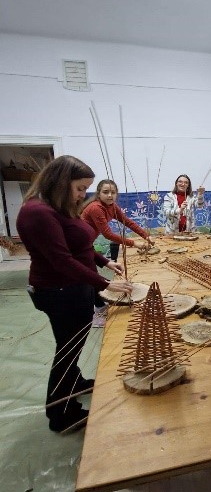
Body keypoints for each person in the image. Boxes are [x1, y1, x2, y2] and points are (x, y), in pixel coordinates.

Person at [16, 156, 132, 433]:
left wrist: (105, 262)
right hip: (60, 291)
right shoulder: (37, 212)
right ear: (61, 181)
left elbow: (79, 245)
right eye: (80, 188)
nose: (82, 195)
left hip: (74, 287)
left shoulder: (57, 207)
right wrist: (104, 283)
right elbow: (62, 260)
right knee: (67, 350)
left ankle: (75, 383)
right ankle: (60, 413)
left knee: (72, 344)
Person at [81, 179, 154, 261]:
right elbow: (108, 234)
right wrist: (134, 243)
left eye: (113, 192)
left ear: (116, 194)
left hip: (88, 242)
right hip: (79, 241)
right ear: (98, 194)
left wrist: (146, 236)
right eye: (105, 192)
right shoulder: (96, 208)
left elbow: (127, 222)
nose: (110, 195)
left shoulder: (112, 206)